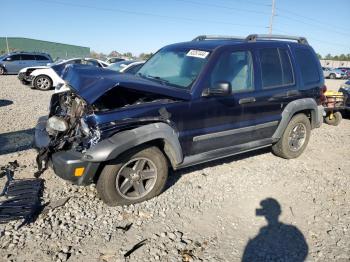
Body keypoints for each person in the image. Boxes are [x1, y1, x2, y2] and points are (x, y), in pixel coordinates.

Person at [242, 198, 308, 262]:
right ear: (279, 212)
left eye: (269, 210)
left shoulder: (291, 230)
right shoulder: (292, 229)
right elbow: (304, 250)